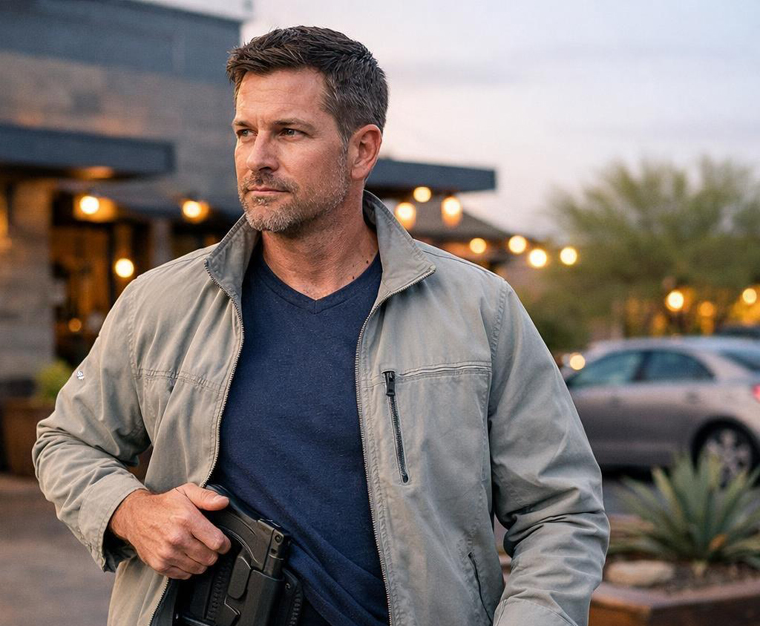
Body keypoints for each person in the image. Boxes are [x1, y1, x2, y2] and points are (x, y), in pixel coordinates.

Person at [33, 26, 608, 626]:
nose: (258, 158)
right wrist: (128, 510)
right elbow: (65, 441)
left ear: (361, 149)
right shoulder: (162, 302)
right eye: (245, 132)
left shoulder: (478, 309)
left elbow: (561, 512)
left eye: (289, 132)